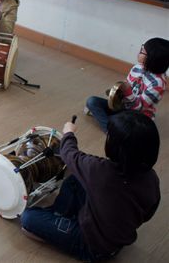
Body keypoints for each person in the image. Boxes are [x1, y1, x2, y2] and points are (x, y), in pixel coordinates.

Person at [20, 111, 161, 261]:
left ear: (115, 147)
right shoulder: (152, 179)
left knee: (28, 218)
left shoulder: (100, 171)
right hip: (116, 241)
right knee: (75, 180)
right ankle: (59, 216)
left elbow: (69, 154)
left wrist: (68, 133)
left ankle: (58, 230)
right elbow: (147, 215)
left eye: (109, 136)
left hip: (91, 245)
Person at [85, 38, 169, 133]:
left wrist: (128, 90)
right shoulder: (137, 68)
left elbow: (139, 108)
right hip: (124, 107)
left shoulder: (158, 84)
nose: (139, 52)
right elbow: (127, 85)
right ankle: (113, 126)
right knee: (92, 101)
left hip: (138, 115)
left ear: (152, 58)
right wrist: (117, 94)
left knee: (129, 124)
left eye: (142, 51)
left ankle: (112, 128)